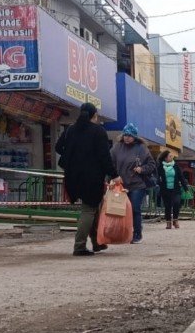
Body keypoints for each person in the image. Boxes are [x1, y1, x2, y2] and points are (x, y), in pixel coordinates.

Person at [55, 102, 119, 257]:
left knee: (93, 208)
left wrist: (73, 154)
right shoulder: (98, 131)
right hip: (91, 176)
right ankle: (79, 246)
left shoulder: (70, 129)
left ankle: (98, 242)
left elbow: (58, 147)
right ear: (94, 115)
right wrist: (114, 175)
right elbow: (105, 157)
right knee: (89, 209)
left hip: (72, 175)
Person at [111, 123, 155, 244]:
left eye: (129, 135)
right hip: (120, 184)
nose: (127, 137)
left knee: (135, 208)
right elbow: (110, 164)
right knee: (120, 210)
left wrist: (142, 169)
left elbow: (152, 165)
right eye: (125, 135)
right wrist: (111, 177)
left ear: (135, 136)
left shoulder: (142, 148)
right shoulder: (116, 148)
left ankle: (137, 234)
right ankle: (123, 233)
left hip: (137, 184)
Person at [157, 150, 189, 229]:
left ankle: (175, 220)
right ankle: (168, 222)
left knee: (176, 203)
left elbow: (181, 177)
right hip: (165, 189)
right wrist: (158, 182)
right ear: (165, 158)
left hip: (176, 189)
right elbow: (156, 177)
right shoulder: (160, 167)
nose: (172, 157)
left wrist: (186, 188)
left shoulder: (175, 166)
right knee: (167, 206)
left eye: (172, 156)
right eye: (170, 156)